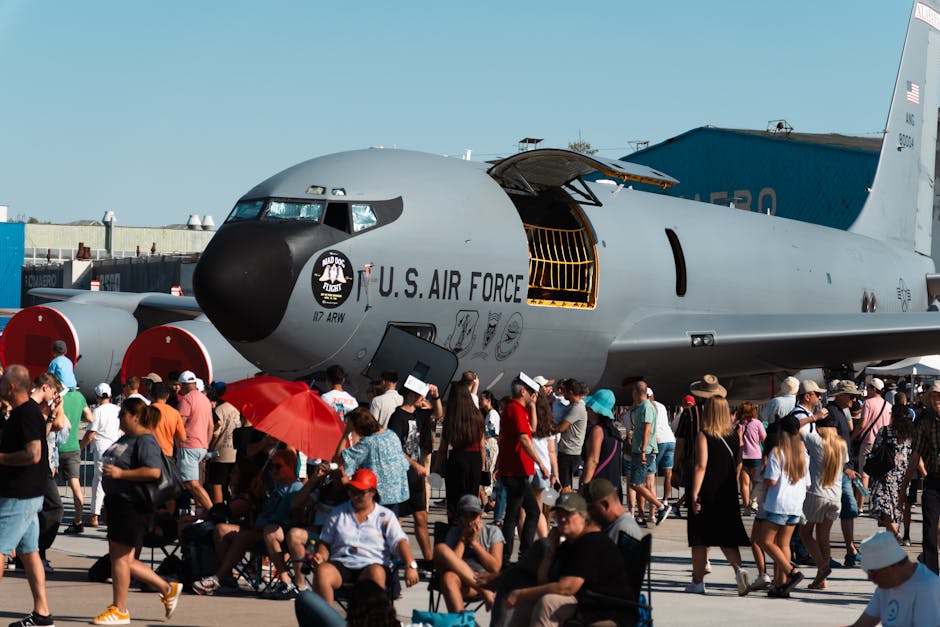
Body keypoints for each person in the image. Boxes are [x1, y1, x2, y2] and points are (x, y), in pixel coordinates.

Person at [91, 398, 182, 624]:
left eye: (123, 413)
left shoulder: (145, 441)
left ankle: (120, 610)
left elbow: (153, 471)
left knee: (120, 559)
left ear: (136, 416)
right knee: (123, 559)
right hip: (118, 503)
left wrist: (122, 475)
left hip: (132, 505)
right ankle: (166, 588)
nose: (119, 417)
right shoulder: (127, 438)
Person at [504, 493, 632, 627]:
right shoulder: (569, 543)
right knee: (531, 600)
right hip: (585, 604)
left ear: (583, 516)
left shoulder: (592, 542)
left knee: (548, 603)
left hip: (608, 610)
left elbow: (567, 587)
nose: (562, 519)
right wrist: (550, 551)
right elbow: (543, 581)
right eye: (559, 514)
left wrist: (520, 594)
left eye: (568, 514)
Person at [193, 448, 303, 596]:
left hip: (274, 533)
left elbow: (288, 518)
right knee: (221, 529)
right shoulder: (277, 486)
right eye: (272, 466)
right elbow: (265, 509)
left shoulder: (296, 488)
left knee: (244, 536)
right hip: (258, 527)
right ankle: (228, 580)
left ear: (290, 467)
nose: (274, 471)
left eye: (278, 467)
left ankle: (217, 578)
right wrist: (258, 492)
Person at [310, 468, 419, 605]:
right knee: (322, 571)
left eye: (361, 493)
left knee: (376, 572)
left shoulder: (385, 516)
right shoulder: (338, 513)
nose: (356, 496)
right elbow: (325, 542)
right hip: (342, 564)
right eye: (352, 492)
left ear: (372, 492)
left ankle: (372, 621)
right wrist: (320, 555)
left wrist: (411, 565)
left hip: (373, 563)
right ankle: (327, 620)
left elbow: (399, 542)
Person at [0, 365, 56, 627]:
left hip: (19, 496)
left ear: (11, 386)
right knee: (29, 552)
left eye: (2, 381)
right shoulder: (24, 413)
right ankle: (42, 614)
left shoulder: (26, 415)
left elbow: (33, 453)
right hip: (28, 495)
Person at [686, 396, 751, 595]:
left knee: (700, 537)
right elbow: (739, 462)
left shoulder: (704, 435)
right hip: (727, 489)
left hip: (707, 490)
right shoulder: (734, 435)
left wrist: (694, 493)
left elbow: (701, 466)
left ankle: (697, 582)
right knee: (727, 536)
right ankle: (739, 570)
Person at [386, 377, 442, 560]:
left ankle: (429, 560)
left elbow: (439, 414)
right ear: (411, 394)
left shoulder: (419, 414)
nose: (422, 399)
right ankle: (392, 557)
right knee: (397, 520)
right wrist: (415, 464)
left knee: (421, 519)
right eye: (420, 396)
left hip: (416, 478)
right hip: (402, 477)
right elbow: (394, 447)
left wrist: (436, 396)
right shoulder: (397, 417)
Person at [755, 415, 810, 598]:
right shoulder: (803, 454)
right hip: (796, 504)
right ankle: (780, 584)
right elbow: (808, 483)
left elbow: (771, 481)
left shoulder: (778, 452)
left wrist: (763, 472)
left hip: (778, 502)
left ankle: (790, 571)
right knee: (783, 544)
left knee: (766, 541)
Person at [497, 374, 550, 561]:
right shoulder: (515, 410)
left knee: (518, 512)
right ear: (523, 391)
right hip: (515, 470)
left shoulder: (519, 409)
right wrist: (541, 464)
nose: (534, 395)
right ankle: (516, 553)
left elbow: (532, 429)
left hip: (516, 470)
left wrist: (533, 405)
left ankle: (514, 553)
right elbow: (525, 438)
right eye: (531, 392)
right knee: (522, 512)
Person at [843, 531, 940, 626]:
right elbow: (862, 625)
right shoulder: (886, 585)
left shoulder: (926, 587)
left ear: (890, 566)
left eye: (872, 572)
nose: (869, 578)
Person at [799, 413, 847, 590]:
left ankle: (822, 566)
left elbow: (794, 426)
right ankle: (821, 580)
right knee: (823, 537)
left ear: (820, 428)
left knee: (805, 533)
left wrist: (812, 418)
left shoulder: (815, 440)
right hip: (835, 497)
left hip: (817, 494)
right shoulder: (842, 445)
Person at [433, 494, 504, 612]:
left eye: (473, 516)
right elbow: (451, 562)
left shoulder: (492, 531)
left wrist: (474, 543)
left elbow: (495, 568)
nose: (470, 521)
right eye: (466, 517)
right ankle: (462, 622)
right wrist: (463, 540)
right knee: (441, 552)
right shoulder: (455, 532)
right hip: (459, 580)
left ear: (480, 515)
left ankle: (460, 622)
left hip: (484, 580)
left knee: (447, 577)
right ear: (460, 519)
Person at [339, 407, 410, 512]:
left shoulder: (368, 442)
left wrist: (346, 434)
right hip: (395, 494)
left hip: (377, 496)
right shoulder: (391, 435)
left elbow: (340, 458)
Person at [435, 379, 486, 519]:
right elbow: (482, 445)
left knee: (454, 499)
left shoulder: (451, 418)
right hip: (474, 459)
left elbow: (443, 448)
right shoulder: (477, 416)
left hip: (457, 458)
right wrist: (482, 467)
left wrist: (437, 466)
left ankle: (454, 528)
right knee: (472, 500)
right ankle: (471, 528)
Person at [868, 402, 915, 542]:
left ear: (893, 416)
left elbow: (875, 449)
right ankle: (894, 535)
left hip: (885, 474)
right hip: (903, 477)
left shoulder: (885, 431)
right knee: (896, 509)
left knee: (884, 507)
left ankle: (894, 534)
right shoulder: (911, 434)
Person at [80, 382, 122, 528]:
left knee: (98, 483)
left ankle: (95, 515)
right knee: (114, 483)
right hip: (116, 448)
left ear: (97, 396)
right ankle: (112, 513)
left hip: (102, 449)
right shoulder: (118, 409)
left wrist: (80, 448)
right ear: (110, 395)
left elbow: (91, 434)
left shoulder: (97, 412)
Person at [627, 382, 670, 525]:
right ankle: (659, 507)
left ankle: (661, 507)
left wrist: (644, 450)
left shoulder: (646, 407)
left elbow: (647, 430)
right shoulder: (640, 407)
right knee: (635, 484)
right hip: (638, 450)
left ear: (636, 392)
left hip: (644, 451)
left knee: (636, 483)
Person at [176, 370, 214, 511]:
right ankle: (202, 512)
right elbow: (211, 425)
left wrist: (177, 441)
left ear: (184, 385)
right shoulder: (205, 399)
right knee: (192, 483)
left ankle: (212, 511)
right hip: (201, 446)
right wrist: (206, 446)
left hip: (189, 445)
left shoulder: (186, 399)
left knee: (192, 483)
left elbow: (180, 424)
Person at [852, 378, 892, 511]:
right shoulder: (888, 405)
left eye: (869, 387)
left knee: (864, 474)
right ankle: (879, 504)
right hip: (882, 443)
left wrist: (853, 437)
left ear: (874, 388)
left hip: (868, 441)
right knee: (880, 473)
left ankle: (860, 505)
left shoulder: (867, 403)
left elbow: (862, 424)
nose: (867, 390)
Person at [580, 389, 622, 494]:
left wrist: (584, 487)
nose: (587, 410)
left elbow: (593, 460)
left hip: (599, 488)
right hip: (613, 486)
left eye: (589, 408)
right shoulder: (614, 433)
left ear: (595, 410)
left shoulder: (597, 431)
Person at [206, 382, 241, 504]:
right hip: (235, 452)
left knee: (216, 484)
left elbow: (216, 433)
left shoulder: (220, 410)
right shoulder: (238, 409)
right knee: (232, 484)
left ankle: (218, 510)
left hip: (220, 453)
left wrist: (209, 448)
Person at [584, 477, 644, 543]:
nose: (588, 514)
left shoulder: (624, 530)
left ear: (605, 505)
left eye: (590, 508)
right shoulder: (617, 527)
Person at [555, 380, 588, 490]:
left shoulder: (577, 408)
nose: (563, 394)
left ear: (570, 392)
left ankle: (566, 506)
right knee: (564, 483)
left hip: (568, 452)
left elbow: (561, 428)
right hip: (570, 451)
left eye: (564, 391)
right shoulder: (575, 405)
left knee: (564, 485)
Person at [735, 402, 765, 515]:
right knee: (756, 482)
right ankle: (754, 502)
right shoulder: (757, 423)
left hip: (742, 456)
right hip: (755, 455)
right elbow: (763, 437)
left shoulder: (737, 424)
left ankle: (746, 506)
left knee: (744, 483)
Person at [648, 388, 676, 505]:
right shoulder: (662, 406)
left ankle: (652, 501)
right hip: (670, 439)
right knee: (668, 473)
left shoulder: (647, 406)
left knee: (650, 474)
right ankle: (665, 501)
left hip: (658, 440)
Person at [149, 382, 186, 457]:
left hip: (149, 453)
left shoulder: (145, 411)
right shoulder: (174, 413)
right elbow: (182, 438)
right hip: (167, 454)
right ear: (167, 396)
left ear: (151, 395)